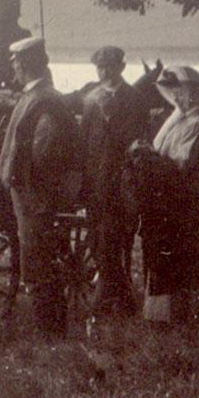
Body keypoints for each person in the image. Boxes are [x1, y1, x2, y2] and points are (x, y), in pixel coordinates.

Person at [0, 37, 79, 338]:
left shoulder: (44, 99)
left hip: (35, 197)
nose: (14, 68)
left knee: (38, 263)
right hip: (29, 194)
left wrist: (28, 184)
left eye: (16, 63)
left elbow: (46, 151)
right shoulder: (37, 96)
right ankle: (50, 331)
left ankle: (52, 334)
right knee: (37, 261)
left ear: (27, 64)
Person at [145, 66, 199, 323]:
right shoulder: (177, 120)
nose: (176, 98)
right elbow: (159, 149)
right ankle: (166, 315)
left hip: (186, 197)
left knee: (188, 254)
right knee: (167, 252)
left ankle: (195, 314)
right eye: (174, 93)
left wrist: (151, 160)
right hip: (170, 195)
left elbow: (183, 163)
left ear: (193, 95)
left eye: (180, 93)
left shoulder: (197, 125)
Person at [81, 46, 148, 316]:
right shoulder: (91, 97)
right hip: (95, 179)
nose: (104, 72)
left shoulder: (134, 97)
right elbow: (84, 138)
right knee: (96, 241)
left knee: (111, 241)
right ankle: (123, 299)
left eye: (109, 67)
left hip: (121, 181)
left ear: (121, 67)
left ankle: (105, 302)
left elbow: (137, 137)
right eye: (100, 67)